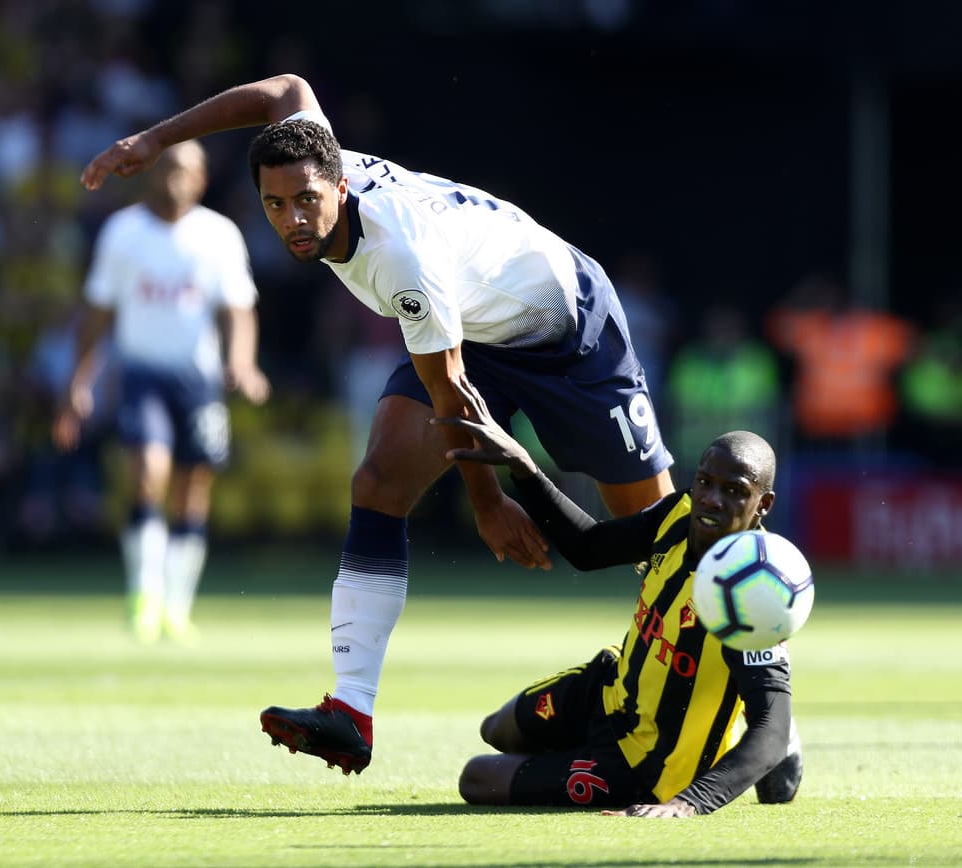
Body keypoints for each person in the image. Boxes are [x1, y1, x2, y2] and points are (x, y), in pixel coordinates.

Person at [80, 74, 675, 772]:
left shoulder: (401, 258)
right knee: (379, 480)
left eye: (307, 200)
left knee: (661, 538)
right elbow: (284, 88)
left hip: (566, 329)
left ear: (339, 185)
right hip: (474, 324)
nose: (294, 219)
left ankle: (750, 693)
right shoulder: (315, 151)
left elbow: (452, 392)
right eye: (275, 205)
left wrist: (487, 503)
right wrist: (156, 138)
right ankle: (351, 710)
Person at [437, 375, 801, 816]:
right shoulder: (678, 514)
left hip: (648, 764)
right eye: (706, 481)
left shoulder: (754, 595)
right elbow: (589, 548)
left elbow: (771, 730)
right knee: (496, 729)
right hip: (613, 689)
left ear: (763, 505)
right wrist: (524, 467)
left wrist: (689, 804)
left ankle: (729, 737)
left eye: (734, 491)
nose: (711, 499)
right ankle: (577, 755)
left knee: (477, 778)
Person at [54, 140, 270, 644]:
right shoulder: (124, 232)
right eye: (168, 167)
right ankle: (143, 595)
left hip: (198, 380)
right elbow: (98, 312)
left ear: (202, 179)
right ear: (153, 173)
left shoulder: (218, 235)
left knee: (194, 490)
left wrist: (242, 363)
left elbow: (238, 308)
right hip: (141, 373)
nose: (176, 178)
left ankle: (178, 605)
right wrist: (77, 383)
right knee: (147, 473)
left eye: (187, 170)